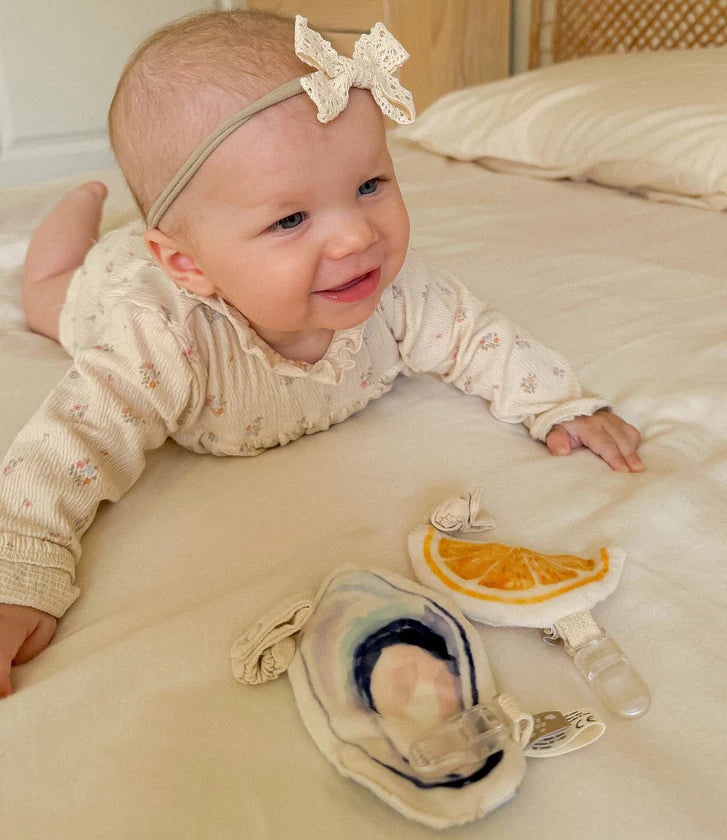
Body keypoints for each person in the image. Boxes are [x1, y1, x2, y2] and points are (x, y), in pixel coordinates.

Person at [0, 10, 643, 697]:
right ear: (187, 264)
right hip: (116, 281)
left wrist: (558, 403)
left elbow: (477, 338)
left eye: (369, 186)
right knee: (47, 299)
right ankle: (76, 214)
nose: (356, 238)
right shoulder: (157, 334)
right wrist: (19, 575)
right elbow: (71, 443)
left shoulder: (399, 292)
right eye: (290, 219)